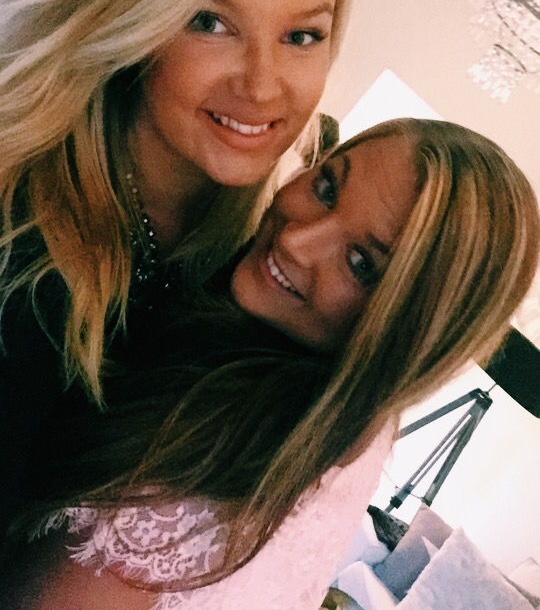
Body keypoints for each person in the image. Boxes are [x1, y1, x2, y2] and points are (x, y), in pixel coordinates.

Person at [2, 118, 538, 609]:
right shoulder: (352, 420)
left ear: (406, 337)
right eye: (327, 188)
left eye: (360, 263)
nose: (297, 240)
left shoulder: (213, 450)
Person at [0, 0, 357, 535]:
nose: (261, 85)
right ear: (135, 10)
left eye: (301, 36)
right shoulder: (19, 231)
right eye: (209, 22)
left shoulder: (249, 271)